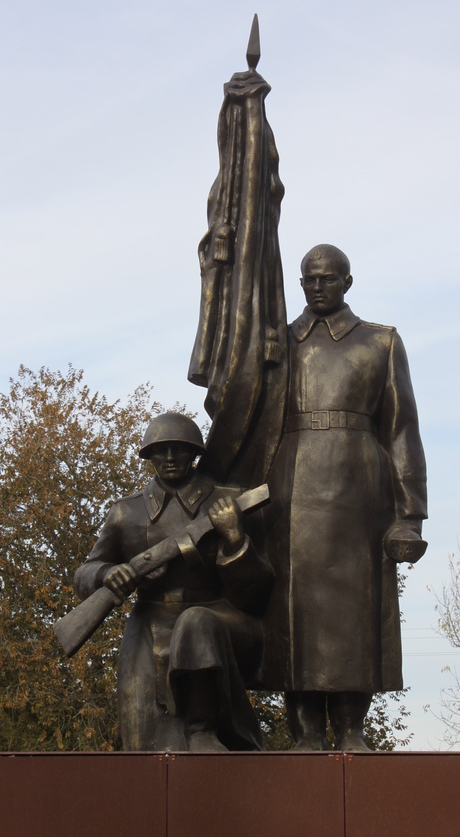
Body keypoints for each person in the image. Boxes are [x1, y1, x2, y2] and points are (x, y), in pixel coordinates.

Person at [262, 244, 427, 751]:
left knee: (354, 610)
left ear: (347, 283)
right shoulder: (276, 344)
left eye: (328, 279)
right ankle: (306, 733)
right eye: (309, 279)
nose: (317, 287)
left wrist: (410, 516)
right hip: (288, 490)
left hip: (360, 495)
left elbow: (401, 431)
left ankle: (353, 731)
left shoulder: (380, 342)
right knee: (292, 612)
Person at [73, 412, 273, 752]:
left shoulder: (227, 501)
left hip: (218, 617)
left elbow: (258, 590)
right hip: (149, 622)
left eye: (178, 449)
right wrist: (109, 573)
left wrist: (235, 540)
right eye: (160, 450)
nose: (169, 458)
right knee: (140, 742)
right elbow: (85, 572)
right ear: (148, 455)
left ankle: (203, 732)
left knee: (195, 623)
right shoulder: (125, 512)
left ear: (193, 453)